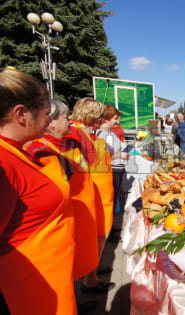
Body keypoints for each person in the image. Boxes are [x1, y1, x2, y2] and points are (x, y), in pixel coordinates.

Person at [0, 69, 77, 314]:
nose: (49, 120)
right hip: (26, 293)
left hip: (47, 283)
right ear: (21, 114)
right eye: (45, 113)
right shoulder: (3, 164)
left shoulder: (17, 151)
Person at [25, 100, 100, 312]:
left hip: (80, 213)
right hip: (60, 225)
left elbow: (90, 162)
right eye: (65, 117)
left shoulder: (70, 144)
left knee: (77, 266)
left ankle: (78, 300)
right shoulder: (38, 151)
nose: (69, 121)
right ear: (51, 123)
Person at [66, 97, 115, 294]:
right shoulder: (74, 135)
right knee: (93, 239)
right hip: (90, 199)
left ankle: (91, 271)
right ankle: (88, 280)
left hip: (101, 196)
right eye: (100, 115)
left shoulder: (88, 134)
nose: (102, 119)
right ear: (92, 116)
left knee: (99, 238)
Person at [96, 105, 130, 215]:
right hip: (112, 171)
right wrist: (120, 155)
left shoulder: (110, 132)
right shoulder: (102, 134)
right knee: (111, 200)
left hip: (117, 170)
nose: (118, 121)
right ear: (106, 119)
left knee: (114, 199)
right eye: (115, 118)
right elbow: (102, 157)